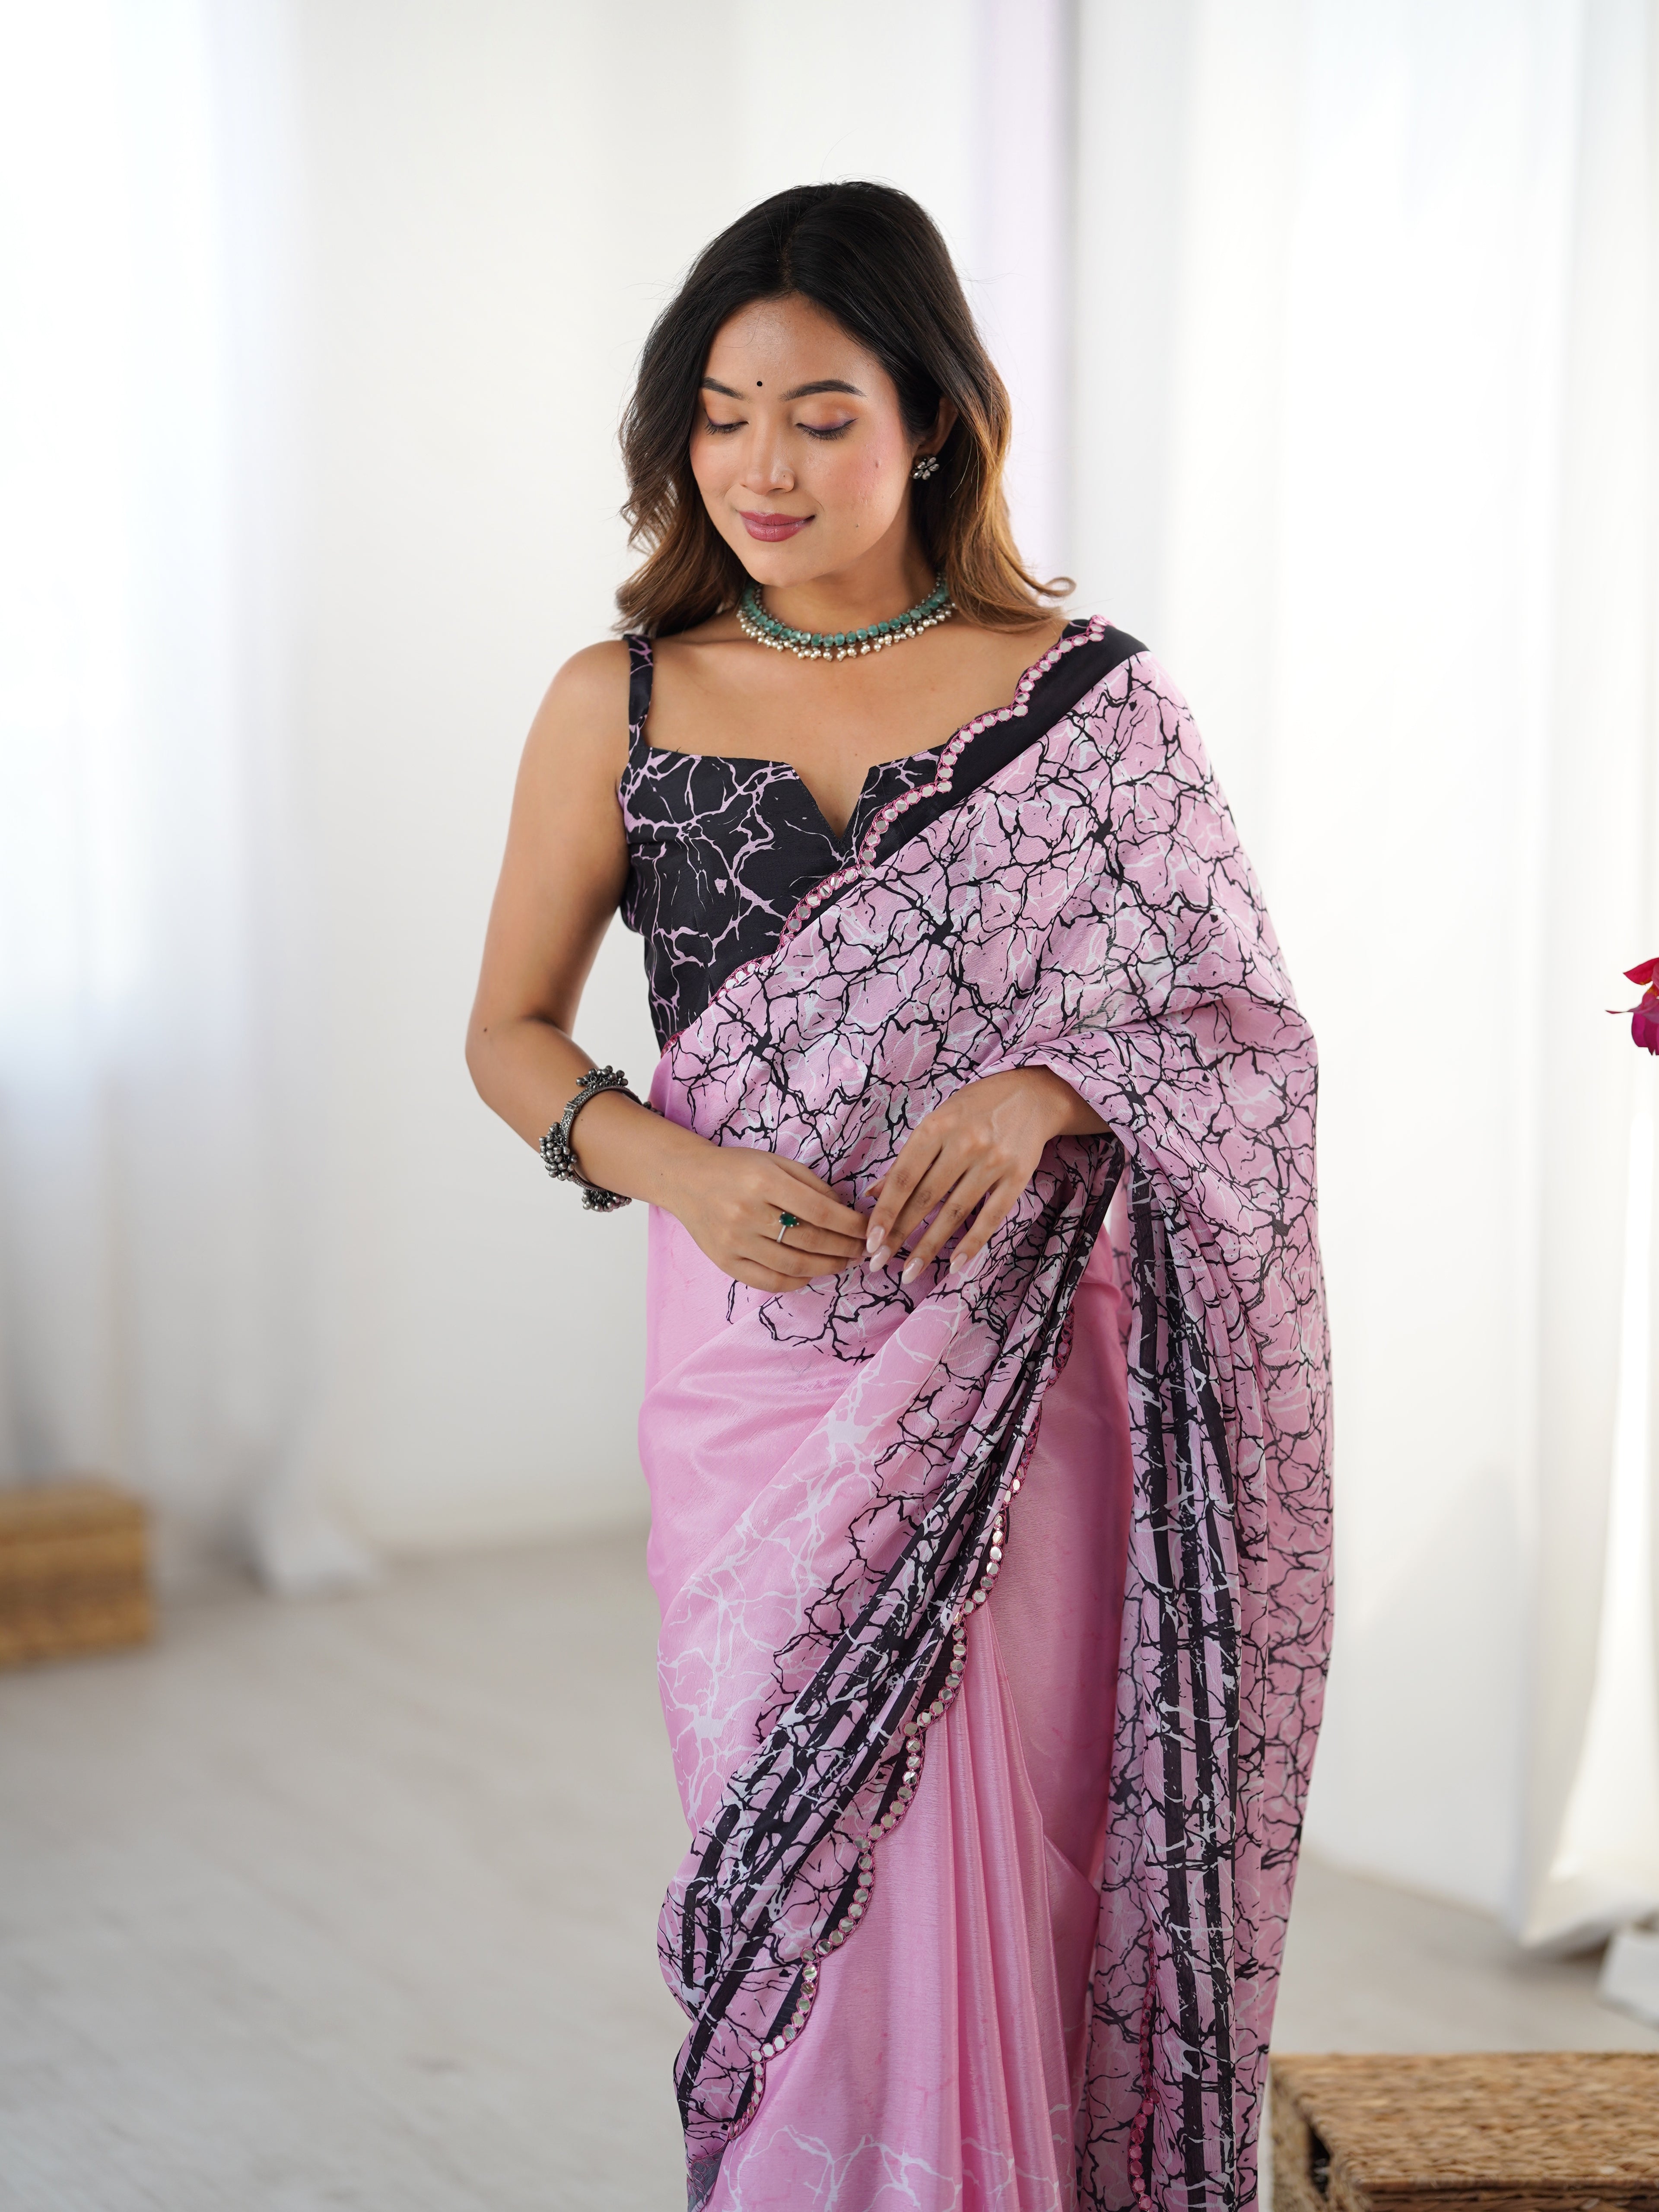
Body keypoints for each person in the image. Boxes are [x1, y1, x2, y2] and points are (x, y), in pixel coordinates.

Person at [467, 181, 1331, 2212]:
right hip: (760, 1378)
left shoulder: (1094, 704)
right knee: (801, 1871)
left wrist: (1047, 1087)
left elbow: (1239, 1036)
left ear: (932, 419)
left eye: (822, 412)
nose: (763, 462)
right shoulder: (629, 699)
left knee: (1025, 1840)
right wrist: (676, 1168)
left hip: (1038, 1385)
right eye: (721, 411)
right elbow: (510, 1030)